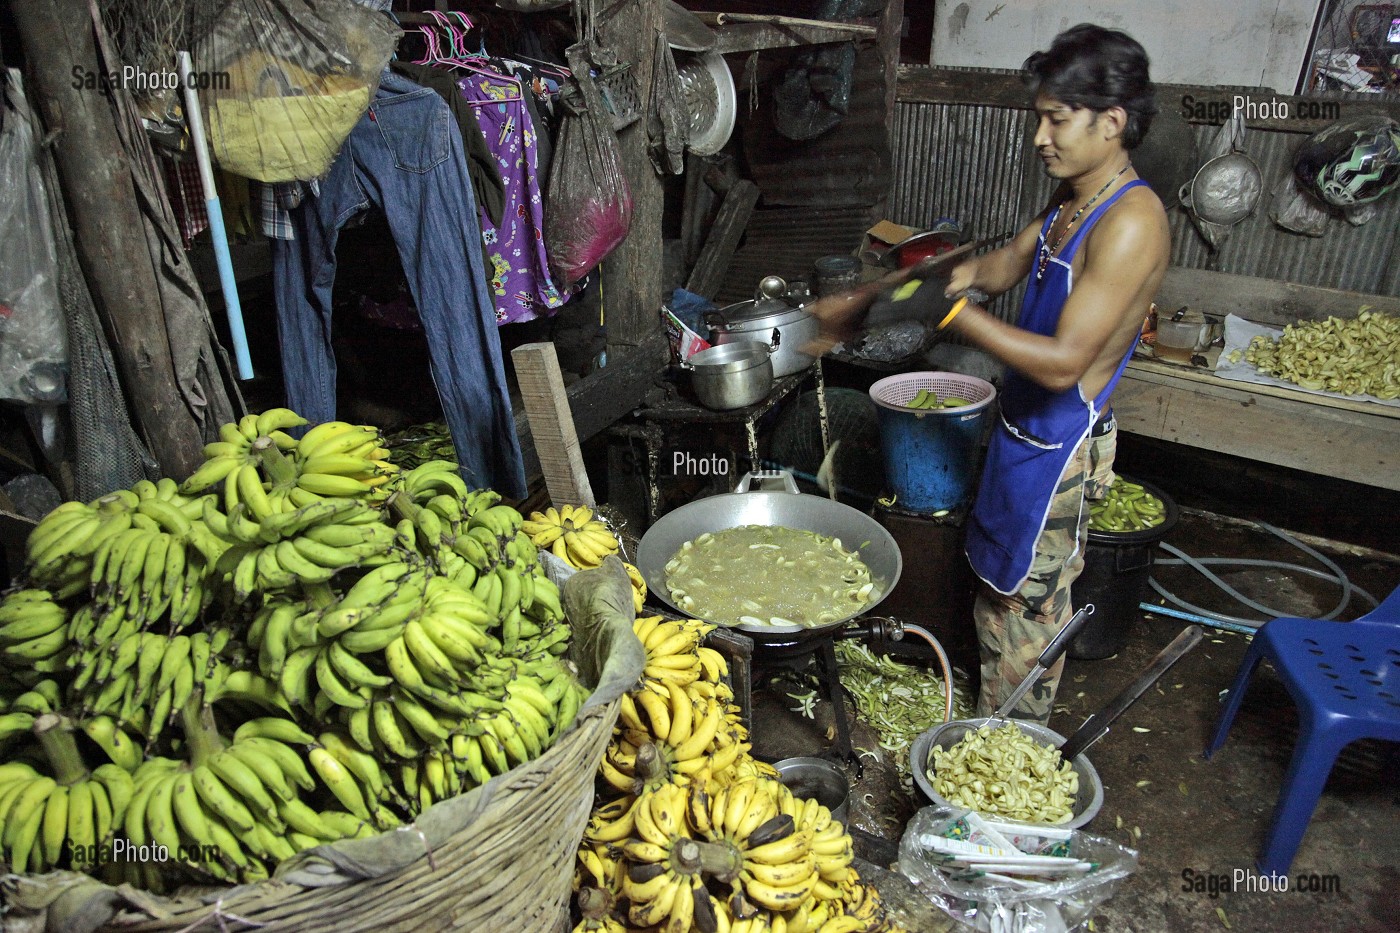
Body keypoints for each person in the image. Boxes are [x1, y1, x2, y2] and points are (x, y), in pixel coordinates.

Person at [809, 24, 1170, 724]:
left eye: (1056, 119)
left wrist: (950, 315)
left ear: (1111, 122)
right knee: (998, 592)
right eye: (1039, 118)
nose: (1039, 137)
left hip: (1060, 445)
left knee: (1028, 609)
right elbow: (996, 268)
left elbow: (1064, 364)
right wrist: (885, 295)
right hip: (1022, 429)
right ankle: (982, 724)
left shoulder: (1130, 223)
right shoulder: (1072, 200)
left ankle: (1011, 751)